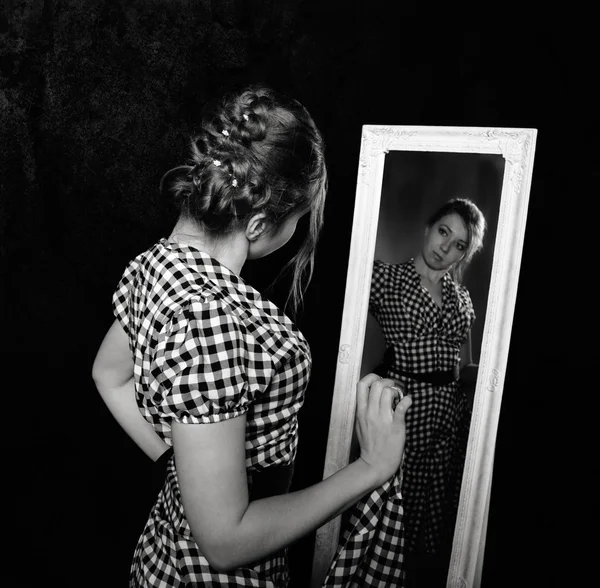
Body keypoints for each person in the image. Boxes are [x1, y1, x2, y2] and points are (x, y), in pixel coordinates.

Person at [91, 85, 412, 588]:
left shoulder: (158, 266)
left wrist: (185, 466)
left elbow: (108, 376)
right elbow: (225, 543)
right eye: (298, 219)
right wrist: (370, 468)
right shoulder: (211, 317)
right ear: (260, 222)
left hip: (165, 550)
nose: (298, 231)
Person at [367, 197, 487, 586]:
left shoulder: (461, 298)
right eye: (443, 232)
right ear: (428, 228)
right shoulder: (384, 278)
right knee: (389, 515)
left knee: (429, 522)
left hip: (447, 416)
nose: (445, 247)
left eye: (459, 245)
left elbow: (462, 363)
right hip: (404, 409)